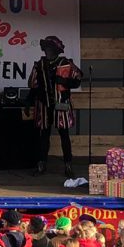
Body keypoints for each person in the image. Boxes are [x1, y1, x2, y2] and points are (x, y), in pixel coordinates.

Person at [28, 34, 82, 178]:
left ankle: (68, 165)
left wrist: (64, 81)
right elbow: (32, 84)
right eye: (46, 47)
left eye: (50, 48)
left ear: (56, 50)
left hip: (61, 103)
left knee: (64, 135)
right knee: (44, 136)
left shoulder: (65, 63)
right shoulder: (39, 64)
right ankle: (42, 164)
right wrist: (29, 101)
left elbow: (78, 79)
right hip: (44, 104)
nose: (47, 50)